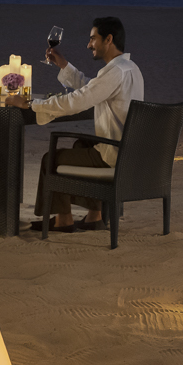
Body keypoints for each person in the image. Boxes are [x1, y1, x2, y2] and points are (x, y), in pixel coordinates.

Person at [27, 17, 147, 233]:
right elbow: (92, 88)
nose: (89, 45)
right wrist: (64, 66)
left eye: (93, 39)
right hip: (130, 153)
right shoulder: (130, 68)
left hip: (114, 155)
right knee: (81, 145)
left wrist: (32, 104)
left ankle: (63, 220)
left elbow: (78, 100)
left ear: (108, 39)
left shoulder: (115, 72)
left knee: (50, 159)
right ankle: (94, 216)